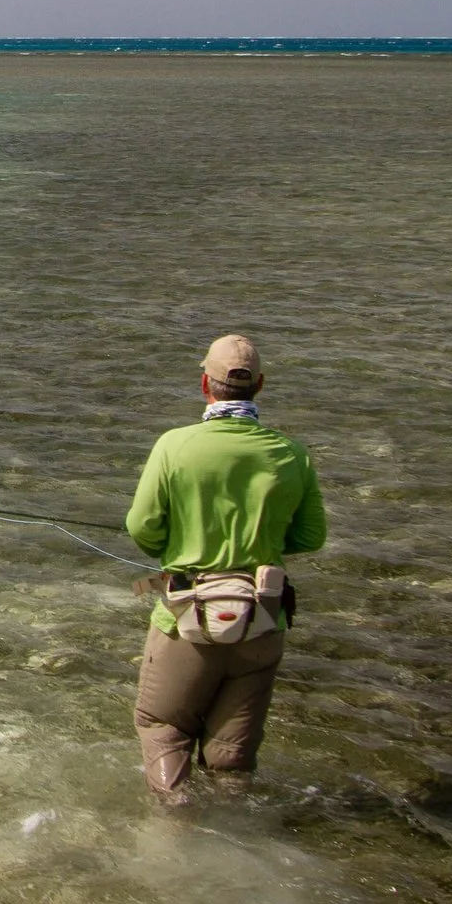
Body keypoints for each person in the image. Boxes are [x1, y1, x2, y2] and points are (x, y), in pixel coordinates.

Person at [123, 334, 326, 801]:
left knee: (163, 728)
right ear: (260, 385)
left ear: (204, 384)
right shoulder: (293, 454)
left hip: (186, 621)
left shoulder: (174, 446)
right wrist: (262, 541)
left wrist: (176, 544)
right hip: (263, 621)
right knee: (231, 759)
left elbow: (142, 528)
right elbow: (311, 537)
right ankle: (236, 832)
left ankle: (174, 834)